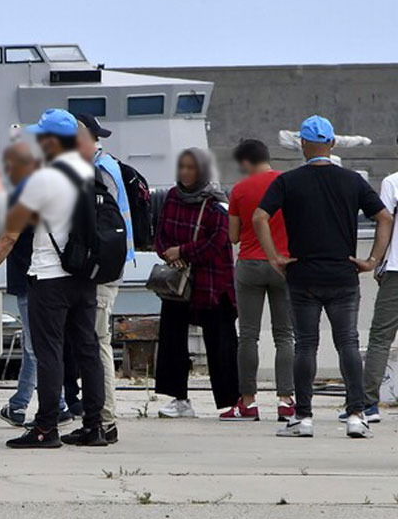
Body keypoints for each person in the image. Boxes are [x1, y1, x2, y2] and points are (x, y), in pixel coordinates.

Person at [256, 115, 393, 438]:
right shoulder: (352, 181)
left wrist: (274, 256)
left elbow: (260, 216)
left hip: (302, 273)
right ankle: (356, 414)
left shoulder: (288, 182)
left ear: (302, 144)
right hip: (343, 273)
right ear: (331, 144)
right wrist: (372, 259)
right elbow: (385, 216)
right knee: (348, 342)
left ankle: (303, 417)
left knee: (305, 345)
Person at [0, 109, 107, 449]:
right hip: (84, 277)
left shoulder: (43, 178)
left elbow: (9, 235)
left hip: (49, 277)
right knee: (88, 350)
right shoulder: (89, 172)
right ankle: (94, 426)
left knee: (49, 354)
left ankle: (45, 429)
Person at [0, 143, 74, 428]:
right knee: (39, 345)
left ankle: (59, 405)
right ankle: (19, 405)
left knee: (37, 347)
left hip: (32, 279)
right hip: (55, 278)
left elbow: (8, 238)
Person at [154, 148, 240, 418]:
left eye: (191, 168)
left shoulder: (216, 204)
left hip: (212, 282)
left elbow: (217, 242)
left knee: (221, 343)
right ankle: (178, 398)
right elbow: (161, 233)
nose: (185, 173)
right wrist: (170, 254)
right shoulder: (172, 197)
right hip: (178, 283)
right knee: (172, 340)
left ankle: (232, 402)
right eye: (182, 167)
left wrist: (184, 252)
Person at [222, 139, 294, 422]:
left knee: (248, 335)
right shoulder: (287, 182)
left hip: (250, 264)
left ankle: (248, 402)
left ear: (244, 162)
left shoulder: (240, 189)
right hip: (283, 263)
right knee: (284, 335)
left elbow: (233, 236)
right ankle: (286, 400)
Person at [71, 114, 132, 442]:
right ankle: (102, 416)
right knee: (96, 342)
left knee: (97, 343)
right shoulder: (108, 166)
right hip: (112, 266)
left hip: (102, 271)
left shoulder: (99, 170)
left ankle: (105, 419)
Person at [360, 165, 398, 424]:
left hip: (396, 269)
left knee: (381, 338)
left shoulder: (392, 182)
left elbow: (385, 222)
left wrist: (376, 260)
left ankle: (368, 404)